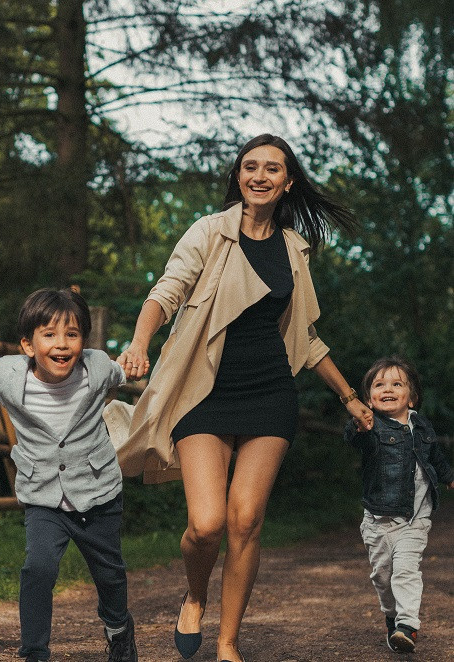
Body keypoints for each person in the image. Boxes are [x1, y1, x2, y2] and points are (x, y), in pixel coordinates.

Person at [114, 134, 373, 662]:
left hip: (269, 394)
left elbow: (306, 339)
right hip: (203, 392)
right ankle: (195, 594)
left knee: (246, 521)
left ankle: (228, 642)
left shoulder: (293, 250)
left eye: (271, 169)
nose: (259, 176)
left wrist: (349, 396)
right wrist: (140, 341)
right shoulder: (210, 233)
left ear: (287, 181)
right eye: (250, 166)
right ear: (238, 177)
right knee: (205, 524)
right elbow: (166, 291)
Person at [0, 288, 139, 662]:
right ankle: (34, 652)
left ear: (83, 340)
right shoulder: (10, 377)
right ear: (28, 345)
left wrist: (137, 358)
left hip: (98, 493)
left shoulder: (97, 369)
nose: (62, 344)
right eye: (49, 334)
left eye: (72, 334)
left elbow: (127, 368)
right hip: (43, 496)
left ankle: (118, 630)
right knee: (38, 568)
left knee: (110, 576)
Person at [344, 357, 453, 654]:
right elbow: (355, 438)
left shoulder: (421, 425)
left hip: (415, 518)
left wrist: (449, 478)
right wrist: (359, 423)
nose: (387, 389)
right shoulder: (370, 427)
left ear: (412, 396)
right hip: (378, 520)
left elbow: (435, 458)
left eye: (396, 384)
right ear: (368, 398)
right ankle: (392, 617)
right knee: (383, 577)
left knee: (405, 570)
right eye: (379, 385)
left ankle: (407, 626)